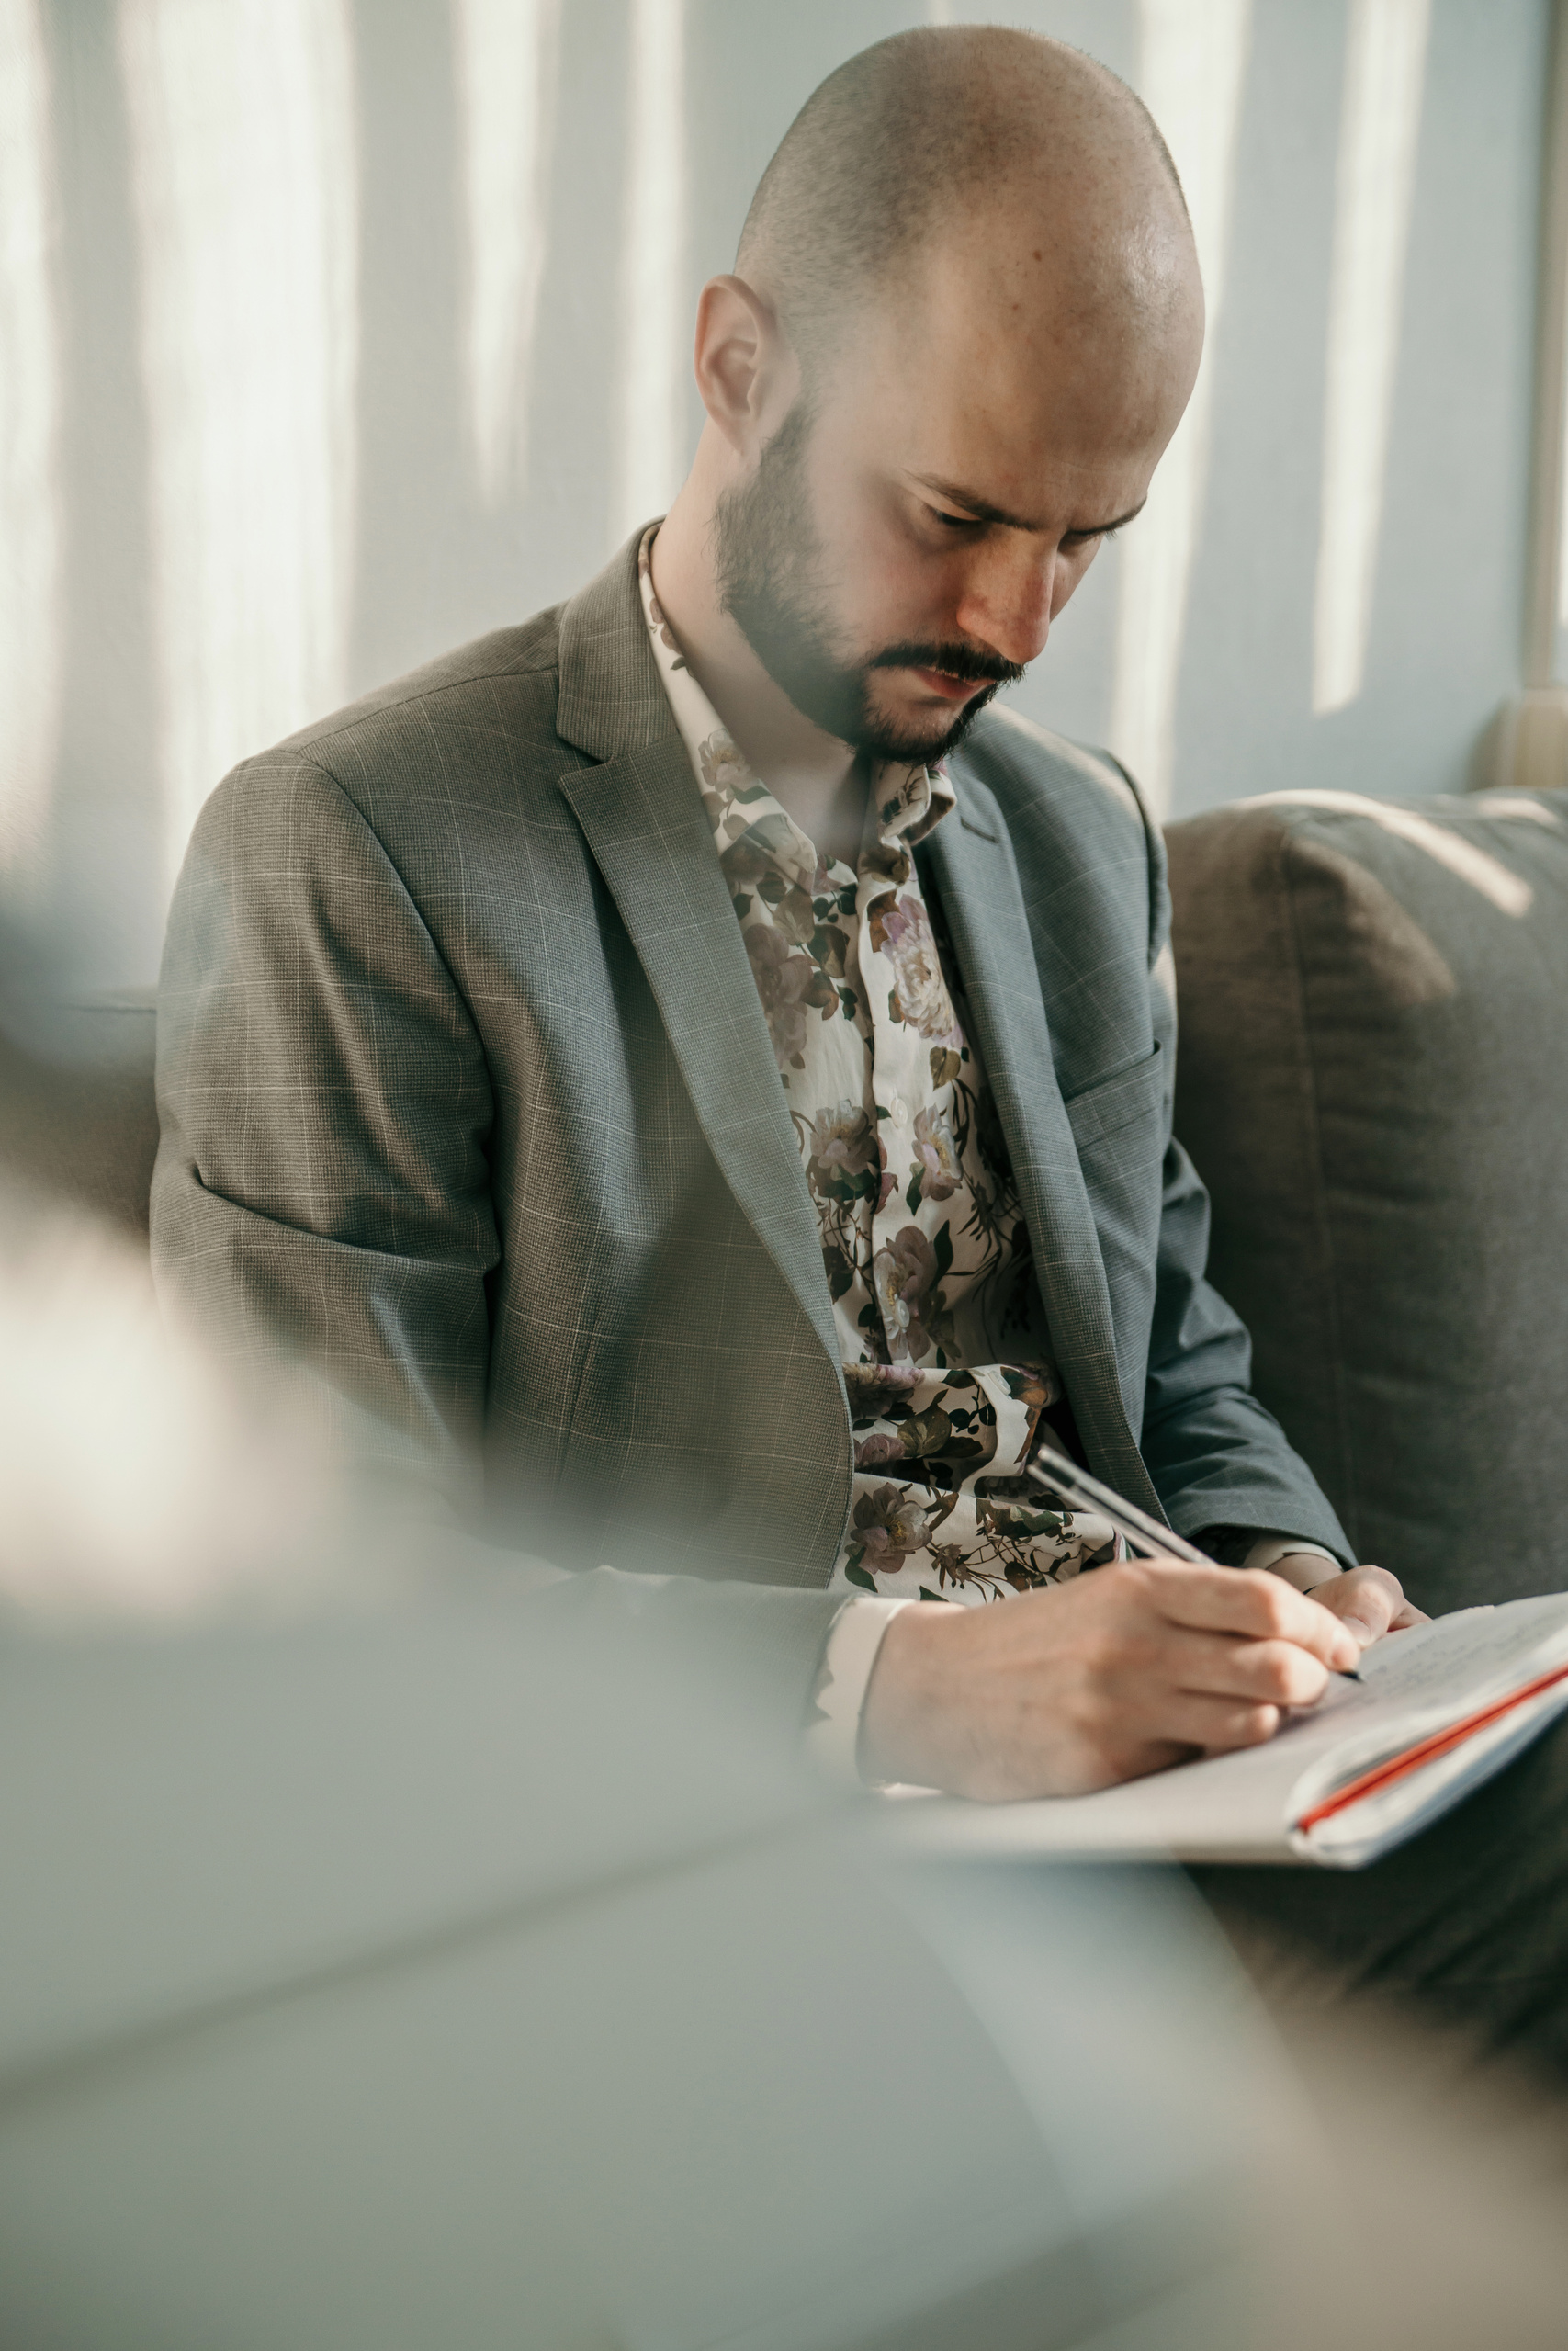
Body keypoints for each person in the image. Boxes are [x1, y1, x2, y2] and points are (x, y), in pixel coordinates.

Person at [152, 28, 1568, 2074]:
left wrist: (1288, 1575)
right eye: (952, 511)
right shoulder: (364, 850)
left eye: (1086, 536)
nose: (1017, 617)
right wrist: (893, 1687)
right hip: (745, 1864)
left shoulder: (1075, 844)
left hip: (1197, 1808)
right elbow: (313, 1608)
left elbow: (1176, 1358)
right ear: (737, 367)